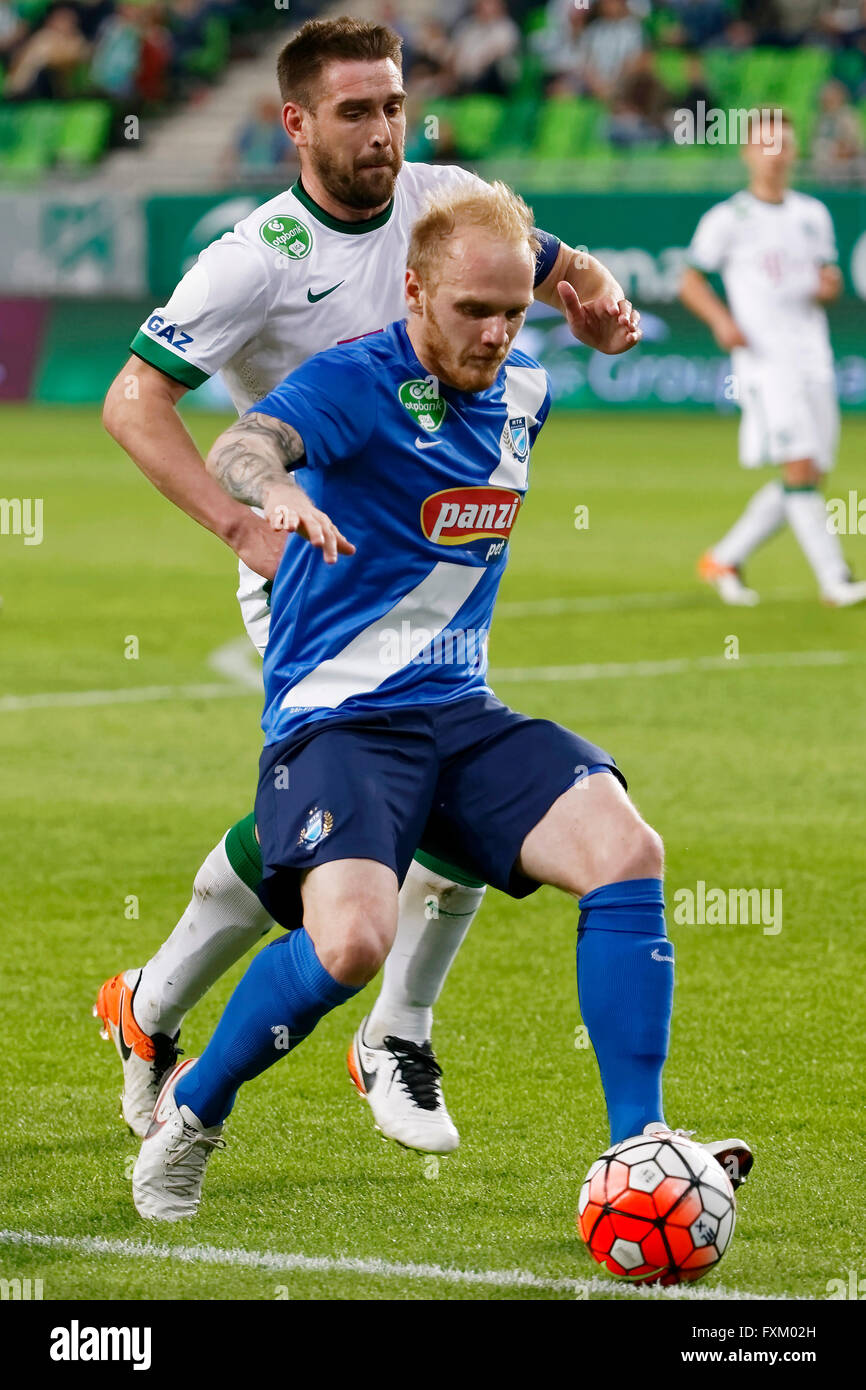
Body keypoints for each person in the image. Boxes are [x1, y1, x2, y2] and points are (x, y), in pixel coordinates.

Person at [131, 179, 752, 1220]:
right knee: (349, 943)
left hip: (459, 712)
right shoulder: (350, 381)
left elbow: (556, 304)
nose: (496, 333)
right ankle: (193, 1108)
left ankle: (637, 1143)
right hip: (336, 715)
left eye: (513, 311)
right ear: (412, 293)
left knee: (625, 849)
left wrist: (589, 304)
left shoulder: (526, 394)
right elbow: (247, 442)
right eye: (472, 311)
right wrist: (270, 490)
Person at [98, 15, 642, 1160]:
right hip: (314, 552)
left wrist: (589, 298)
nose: (383, 130)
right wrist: (244, 525)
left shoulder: (438, 193)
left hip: (432, 537)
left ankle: (185, 1006)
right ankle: (353, 1024)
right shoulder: (256, 258)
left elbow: (542, 262)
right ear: (294, 121)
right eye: (355, 110)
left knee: (414, 778)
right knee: (369, 790)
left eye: (392, 104)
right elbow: (133, 400)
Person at [680, 112, 866, 608]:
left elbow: (826, 279)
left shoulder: (813, 213)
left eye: (784, 143)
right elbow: (690, 280)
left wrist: (830, 286)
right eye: (767, 143)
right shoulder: (729, 218)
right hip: (766, 362)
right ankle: (836, 579)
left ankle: (723, 557)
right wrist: (721, 321)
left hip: (814, 357)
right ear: (748, 152)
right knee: (800, 466)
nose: (776, 152)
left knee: (809, 475)